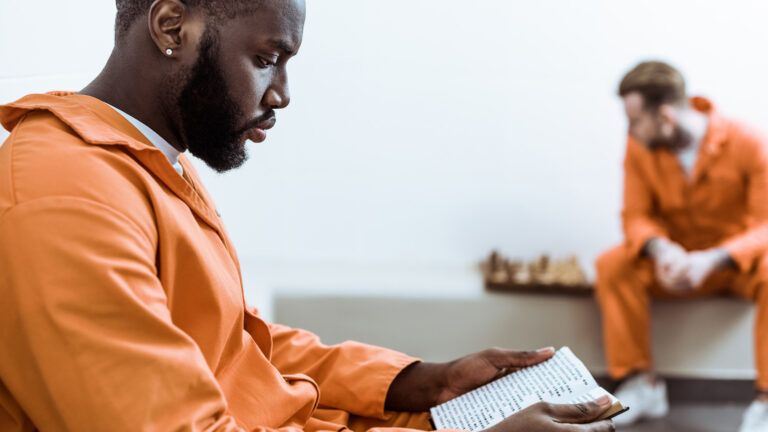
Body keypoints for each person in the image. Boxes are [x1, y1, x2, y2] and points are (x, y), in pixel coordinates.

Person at [0, 1, 615, 431]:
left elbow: (238, 344)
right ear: (170, 25)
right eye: (268, 57)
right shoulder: (64, 192)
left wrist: (424, 383)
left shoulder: (142, 163)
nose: (282, 94)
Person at [595, 60, 768, 431]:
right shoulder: (639, 148)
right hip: (672, 266)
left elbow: (765, 225)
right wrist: (663, 251)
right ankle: (642, 382)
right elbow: (635, 216)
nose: (630, 130)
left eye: (635, 119)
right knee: (613, 265)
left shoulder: (749, 143)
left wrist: (715, 259)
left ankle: (767, 402)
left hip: (733, 266)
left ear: (666, 115)